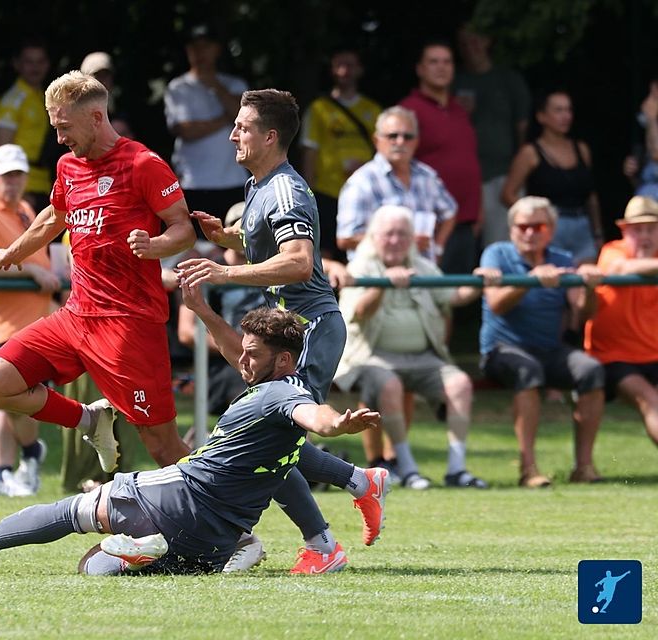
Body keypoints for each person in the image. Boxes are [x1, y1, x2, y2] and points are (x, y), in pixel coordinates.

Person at [0, 306, 381, 575]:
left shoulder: (280, 393)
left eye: (253, 354)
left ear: (283, 360)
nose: (242, 359)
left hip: (178, 500)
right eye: (243, 349)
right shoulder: (281, 392)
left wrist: (335, 425)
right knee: (92, 567)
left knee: (74, 510)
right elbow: (302, 437)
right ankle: (146, 549)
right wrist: (202, 309)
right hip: (213, 542)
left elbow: (314, 417)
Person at [177, 89, 390, 573]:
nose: (233, 134)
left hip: (310, 329)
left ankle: (324, 542)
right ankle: (359, 487)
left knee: (272, 437)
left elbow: (297, 262)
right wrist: (228, 238)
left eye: (243, 127)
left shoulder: (285, 189)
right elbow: (269, 241)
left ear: (270, 136)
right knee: (270, 434)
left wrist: (224, 272)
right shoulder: (259, 185)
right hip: (286, 330)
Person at [0, 72, 196, 485]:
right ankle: (90, 421)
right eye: (55, 127)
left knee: (163, 446)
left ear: (95, 117)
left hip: (130, 324)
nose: (59, 138)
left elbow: (183, 228)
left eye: (64, 127)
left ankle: (234, 530)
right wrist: (13, 252)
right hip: (76, 316)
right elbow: (54, 217)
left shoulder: (143, 164)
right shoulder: (68, 165)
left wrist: (156, 245)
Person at [334, 205, 501, 489]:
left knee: (460, 382)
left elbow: (453, 296)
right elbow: (359, 312)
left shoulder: (421, 266)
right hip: (372, 357)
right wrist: (384, 285)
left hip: (424, 358)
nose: (396, 240)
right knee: (389, 385)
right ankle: (408, 469)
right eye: (389, 234)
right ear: (374, 237)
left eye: (403, 234)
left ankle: (457, 469)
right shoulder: (360, 267)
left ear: (412, 238)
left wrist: (479, 281)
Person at [479, 196, 605, 487]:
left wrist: (589, 286)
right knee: (528, 370)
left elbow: (584, 312)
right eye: (523, 226)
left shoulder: (562, 259)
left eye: (538, 226)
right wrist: (530, 281)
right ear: (512, 229)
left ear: (551, 229)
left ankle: (584, 467)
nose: (529, 233)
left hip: (549, 349)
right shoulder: (496, 254)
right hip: (502, 350)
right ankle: (529, 469)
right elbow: (496, 303)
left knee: (591, 370)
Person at [0, 143, 60, 497]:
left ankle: (3, 473)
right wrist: (31, 270)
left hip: (36, 319)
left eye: (18, 174)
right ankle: (31, 454)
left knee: (7, 400)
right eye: (6, 176)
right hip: (1, 322)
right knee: (11, 397)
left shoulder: (25, 209)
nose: (14, 182)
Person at [400, 41, 482, 274]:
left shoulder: (460, 111)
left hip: (465, 223)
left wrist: (478, 214)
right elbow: (397, 164)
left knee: (457, 299)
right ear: (420, 69)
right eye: (433, 62)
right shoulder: (409, 110)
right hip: (428, 226)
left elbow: (471, 163)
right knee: (428, 296)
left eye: (447, 62)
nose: (441, 67)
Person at [176, 202, 265, 414]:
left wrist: (333, 266)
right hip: (222, 364)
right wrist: (243, 348)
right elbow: (187, 333)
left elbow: (305, 261)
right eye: (241, 229)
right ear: (226, 232)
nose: (247, 235)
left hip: (265, 360)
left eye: (255, 229)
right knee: (256, 395)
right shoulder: (205, 268)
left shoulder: (271, 268)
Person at [337, 106, 457, 262]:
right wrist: (403, 242)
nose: (400, 142)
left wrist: (438, 248)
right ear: (377, 140)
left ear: (417, 141)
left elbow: (449, 212)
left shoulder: (427, 176)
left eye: (407, 136)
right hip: (378, 278)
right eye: (392, 136)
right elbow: (345, 239)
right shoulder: (362, 182)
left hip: (423, 277)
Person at [585, 195, 658, 448]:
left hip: (653, 355)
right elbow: (619, 269)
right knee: (651, 400)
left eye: (651, 229)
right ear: (625, 232)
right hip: (613, 358)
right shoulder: (612, 251)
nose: (645, 236)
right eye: (638, 230)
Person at [501, 90, 603, 263]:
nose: (566, 116)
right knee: (553, 283)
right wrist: (534, 218)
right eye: (558, 110)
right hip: (548, 228)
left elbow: (591, 196)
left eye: (568, 110)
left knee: (587, 283)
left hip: (582, 224)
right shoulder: (530, 153)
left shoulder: (581, 149)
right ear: (541, 116)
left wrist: (598, 231)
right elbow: (507, 194)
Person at [164, 24, 249, 231]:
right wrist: (226, 119)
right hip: (194, 183)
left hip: (234, 180)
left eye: (206, 46)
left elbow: (246, 120)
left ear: (217, 50)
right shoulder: (178, 88)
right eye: (195, 47)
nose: (200, 52)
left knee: (237, 245)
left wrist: (215, 85)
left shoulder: (236, 85)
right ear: (187, 51)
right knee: (197, 248)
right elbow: (186, 131)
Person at [300, 48, 381, 260]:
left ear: (360, 70)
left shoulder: (373, 110)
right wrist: (309, 195)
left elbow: (384, 151)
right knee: (324, 252)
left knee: (364, 250)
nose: (345, 71)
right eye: (339, 65)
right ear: (332, 71)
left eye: (350, 65)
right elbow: (310, 151)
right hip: (326, 192)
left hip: (365, 193)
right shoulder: (318, 109)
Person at [454, 24, 531, 248]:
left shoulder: (509, 80)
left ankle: (503, 285)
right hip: (463, 178)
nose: (471, 47)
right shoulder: (453, 82)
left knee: (501, 245)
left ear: (488, 41)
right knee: (462, 244)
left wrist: (518, 176)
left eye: (475, 39)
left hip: (502, 176)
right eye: (464, 43)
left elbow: (522, 131)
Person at [0, 39, 53, 212]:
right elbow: (2, 151)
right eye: (29, 62)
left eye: (40, 61)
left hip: (43, 182)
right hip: (23, 186)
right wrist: (16, 191)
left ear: (48, 64)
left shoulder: (42, 95)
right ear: (17, 64)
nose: (35, 67)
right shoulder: (13, 100)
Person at [80, 51, 133, 138]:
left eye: (106, 75)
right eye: (97, 76)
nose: (103, 81)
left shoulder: (122, 103)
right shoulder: (76, 110)